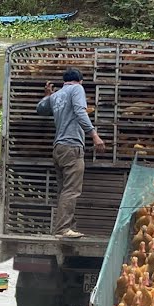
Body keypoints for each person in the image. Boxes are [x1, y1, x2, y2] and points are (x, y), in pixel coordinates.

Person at [38, 68, 107, 239]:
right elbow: (79, 112)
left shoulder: (57, 95)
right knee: (71, 190)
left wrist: (48, 95)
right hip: (72, 146)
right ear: (80, 81)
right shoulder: (77, 89)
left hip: (59, 148)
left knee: (64, 190)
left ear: (64, 81)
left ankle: (66, 228)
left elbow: (40, 109)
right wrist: (94, 135)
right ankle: (63, 230)